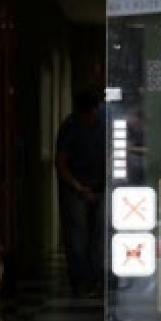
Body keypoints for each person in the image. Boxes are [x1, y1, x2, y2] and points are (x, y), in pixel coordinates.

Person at [55, 88, 105, 297]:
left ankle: (95, 279)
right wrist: (79, 187)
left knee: (98, 235)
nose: (89, 117)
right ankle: (80, 282)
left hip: (99, 185)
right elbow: (61, 162)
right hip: (76, 188)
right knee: (77, 236)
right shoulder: (70, 126)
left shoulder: (102, 124)